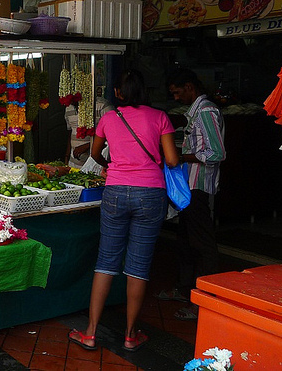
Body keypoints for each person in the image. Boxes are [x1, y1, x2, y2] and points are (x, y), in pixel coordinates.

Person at [68, 69, 179, 352]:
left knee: (106, 261)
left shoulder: (108, 118)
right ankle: (131, 335)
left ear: (118, 93)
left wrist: (112, 167)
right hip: (151, 194)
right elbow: (172, 159)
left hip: (115, 191)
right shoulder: (160, 117)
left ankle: (90, 333)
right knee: (138, 266)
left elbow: (94, 153)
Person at [163, 69, 226, 321]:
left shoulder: (207, 112)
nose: (176, 98)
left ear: (189, 86)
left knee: (203, 243)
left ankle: (208, 300)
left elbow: (216, 154)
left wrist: (181, 157)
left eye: (178, 92)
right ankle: (184, 288)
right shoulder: (195, 113)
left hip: (199, 186)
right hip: (188, 186)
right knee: (185, 241)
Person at [65, 95, 115, 168]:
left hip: (96, 166)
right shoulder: (68, 108)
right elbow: (70, 134)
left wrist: (89, 145)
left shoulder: (102, 105)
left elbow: (114, 136)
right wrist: (67, 156)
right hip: (74, 164)